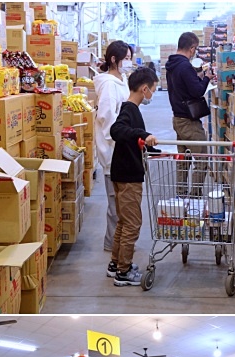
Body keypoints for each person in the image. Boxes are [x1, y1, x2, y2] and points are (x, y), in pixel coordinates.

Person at [109, 67, 159, 288]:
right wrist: (143, 134)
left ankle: (115, 264)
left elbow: (133, 142)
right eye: (153, 90)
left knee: (123, 222)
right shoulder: (129, 110)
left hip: (122, 172)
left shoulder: (131, 109)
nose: (152, 95)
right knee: (132, 224)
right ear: (144, 88)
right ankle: (124, 271)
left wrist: (154, 149)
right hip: (129, 177)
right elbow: (117, 130)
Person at [94, 41, 132, 260]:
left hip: (121, 147)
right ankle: (111, 244)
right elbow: (107, 117)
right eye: (126, 58)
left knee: (120, 202)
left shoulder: (120, 80)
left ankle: (116, 242)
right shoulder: (108, 84)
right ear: (113, 60)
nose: (129, 62)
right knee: (115, 203)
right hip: (112, 148)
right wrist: (119, 139)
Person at [165, 32, 212, 145]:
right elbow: (197, 91)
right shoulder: (185, 66)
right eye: (195, 49)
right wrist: (207, 78)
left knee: (183, 159)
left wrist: (197, 77)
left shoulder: (172, 64)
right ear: (191, 48)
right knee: (201, 157)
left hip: (178, 118)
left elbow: (182, 85)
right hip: (189, 121)